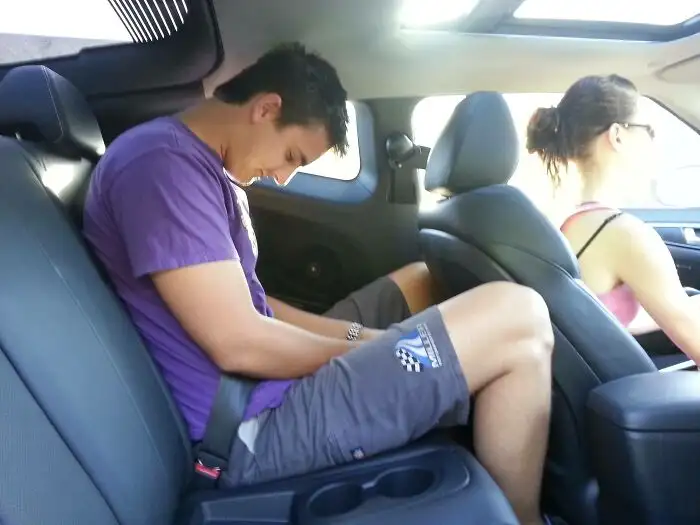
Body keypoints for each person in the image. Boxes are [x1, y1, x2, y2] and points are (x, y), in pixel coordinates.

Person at [83, 42, 562, 525]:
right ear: (266, 108)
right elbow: (238, 343)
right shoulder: (161, 166)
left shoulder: (200, 168)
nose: (283, 178)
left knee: (421, 281)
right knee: (518, 317)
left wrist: (361, 338)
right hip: (251, 430)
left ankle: (441, 386)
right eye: (291, 155)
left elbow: (257, 305)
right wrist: (371, 350)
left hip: (261, 389)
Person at [526, 74, 700, 367]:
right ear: (618, 135)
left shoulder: (555, 218)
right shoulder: (622, 234)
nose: (653, 142)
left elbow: (594, 319)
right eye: (648, 130)